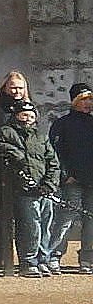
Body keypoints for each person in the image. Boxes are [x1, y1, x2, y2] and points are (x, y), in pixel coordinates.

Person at [0, 95, 60, 276]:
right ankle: (29, 261)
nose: (28, 118)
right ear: (16, 116)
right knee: (30, 225)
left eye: (31, 115)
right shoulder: (6, 131)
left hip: (43, 188)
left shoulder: (41, 136)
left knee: (46, 224)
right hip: (22, 188)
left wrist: (49, 183)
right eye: (23, 115)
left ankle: (43, 258)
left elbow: (52, 161)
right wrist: (12, 151)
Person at [0, 72, 32, 273]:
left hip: (24, 170)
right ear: (4, 88)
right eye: (12, 87)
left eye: (20, 87)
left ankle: (27, 260)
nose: (16, 91)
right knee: (0, 217)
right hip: (2, 171)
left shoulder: (29, 109)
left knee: (26, 217)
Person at [48, 81, 93, 272]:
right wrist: (65, 175)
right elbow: (54, 151)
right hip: (71, 181)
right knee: (65, 219)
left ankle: (87, 259)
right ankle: (53, 255)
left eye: (90, 99)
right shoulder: (62, 124)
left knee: (91, 221)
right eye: (84, 99)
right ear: (74, 101)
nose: (88, 103)